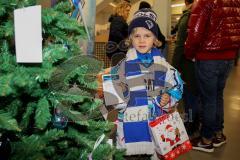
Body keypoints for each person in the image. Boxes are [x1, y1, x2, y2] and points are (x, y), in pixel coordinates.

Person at [108, 8, 183, 158]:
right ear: (131, 39)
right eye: (137, 36)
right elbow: (114, 96)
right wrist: (122, 99)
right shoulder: (122, 67)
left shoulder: (164, 66)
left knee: (154, 154)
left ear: (155, 39)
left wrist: (168, 97)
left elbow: (177, 85)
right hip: (129, 128)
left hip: (157, 126)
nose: (142, 40)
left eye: (147, 35)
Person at [184, 0, 240, 153]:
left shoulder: (204, 1)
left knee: (208, 99)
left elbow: (195, 33)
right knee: (217, 96)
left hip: (208, 57)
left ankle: (206, 139)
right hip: (228, 57)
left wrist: (189, 54)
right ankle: (218, 134)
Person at [171, 0, 199, 137]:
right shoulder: (200, 14)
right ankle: (194, 124)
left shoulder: (188, 16)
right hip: (199, 63)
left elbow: (180, 46)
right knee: (195, 95)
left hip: (187, 64)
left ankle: (190, 126)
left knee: (189, 97)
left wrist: (173, 67)